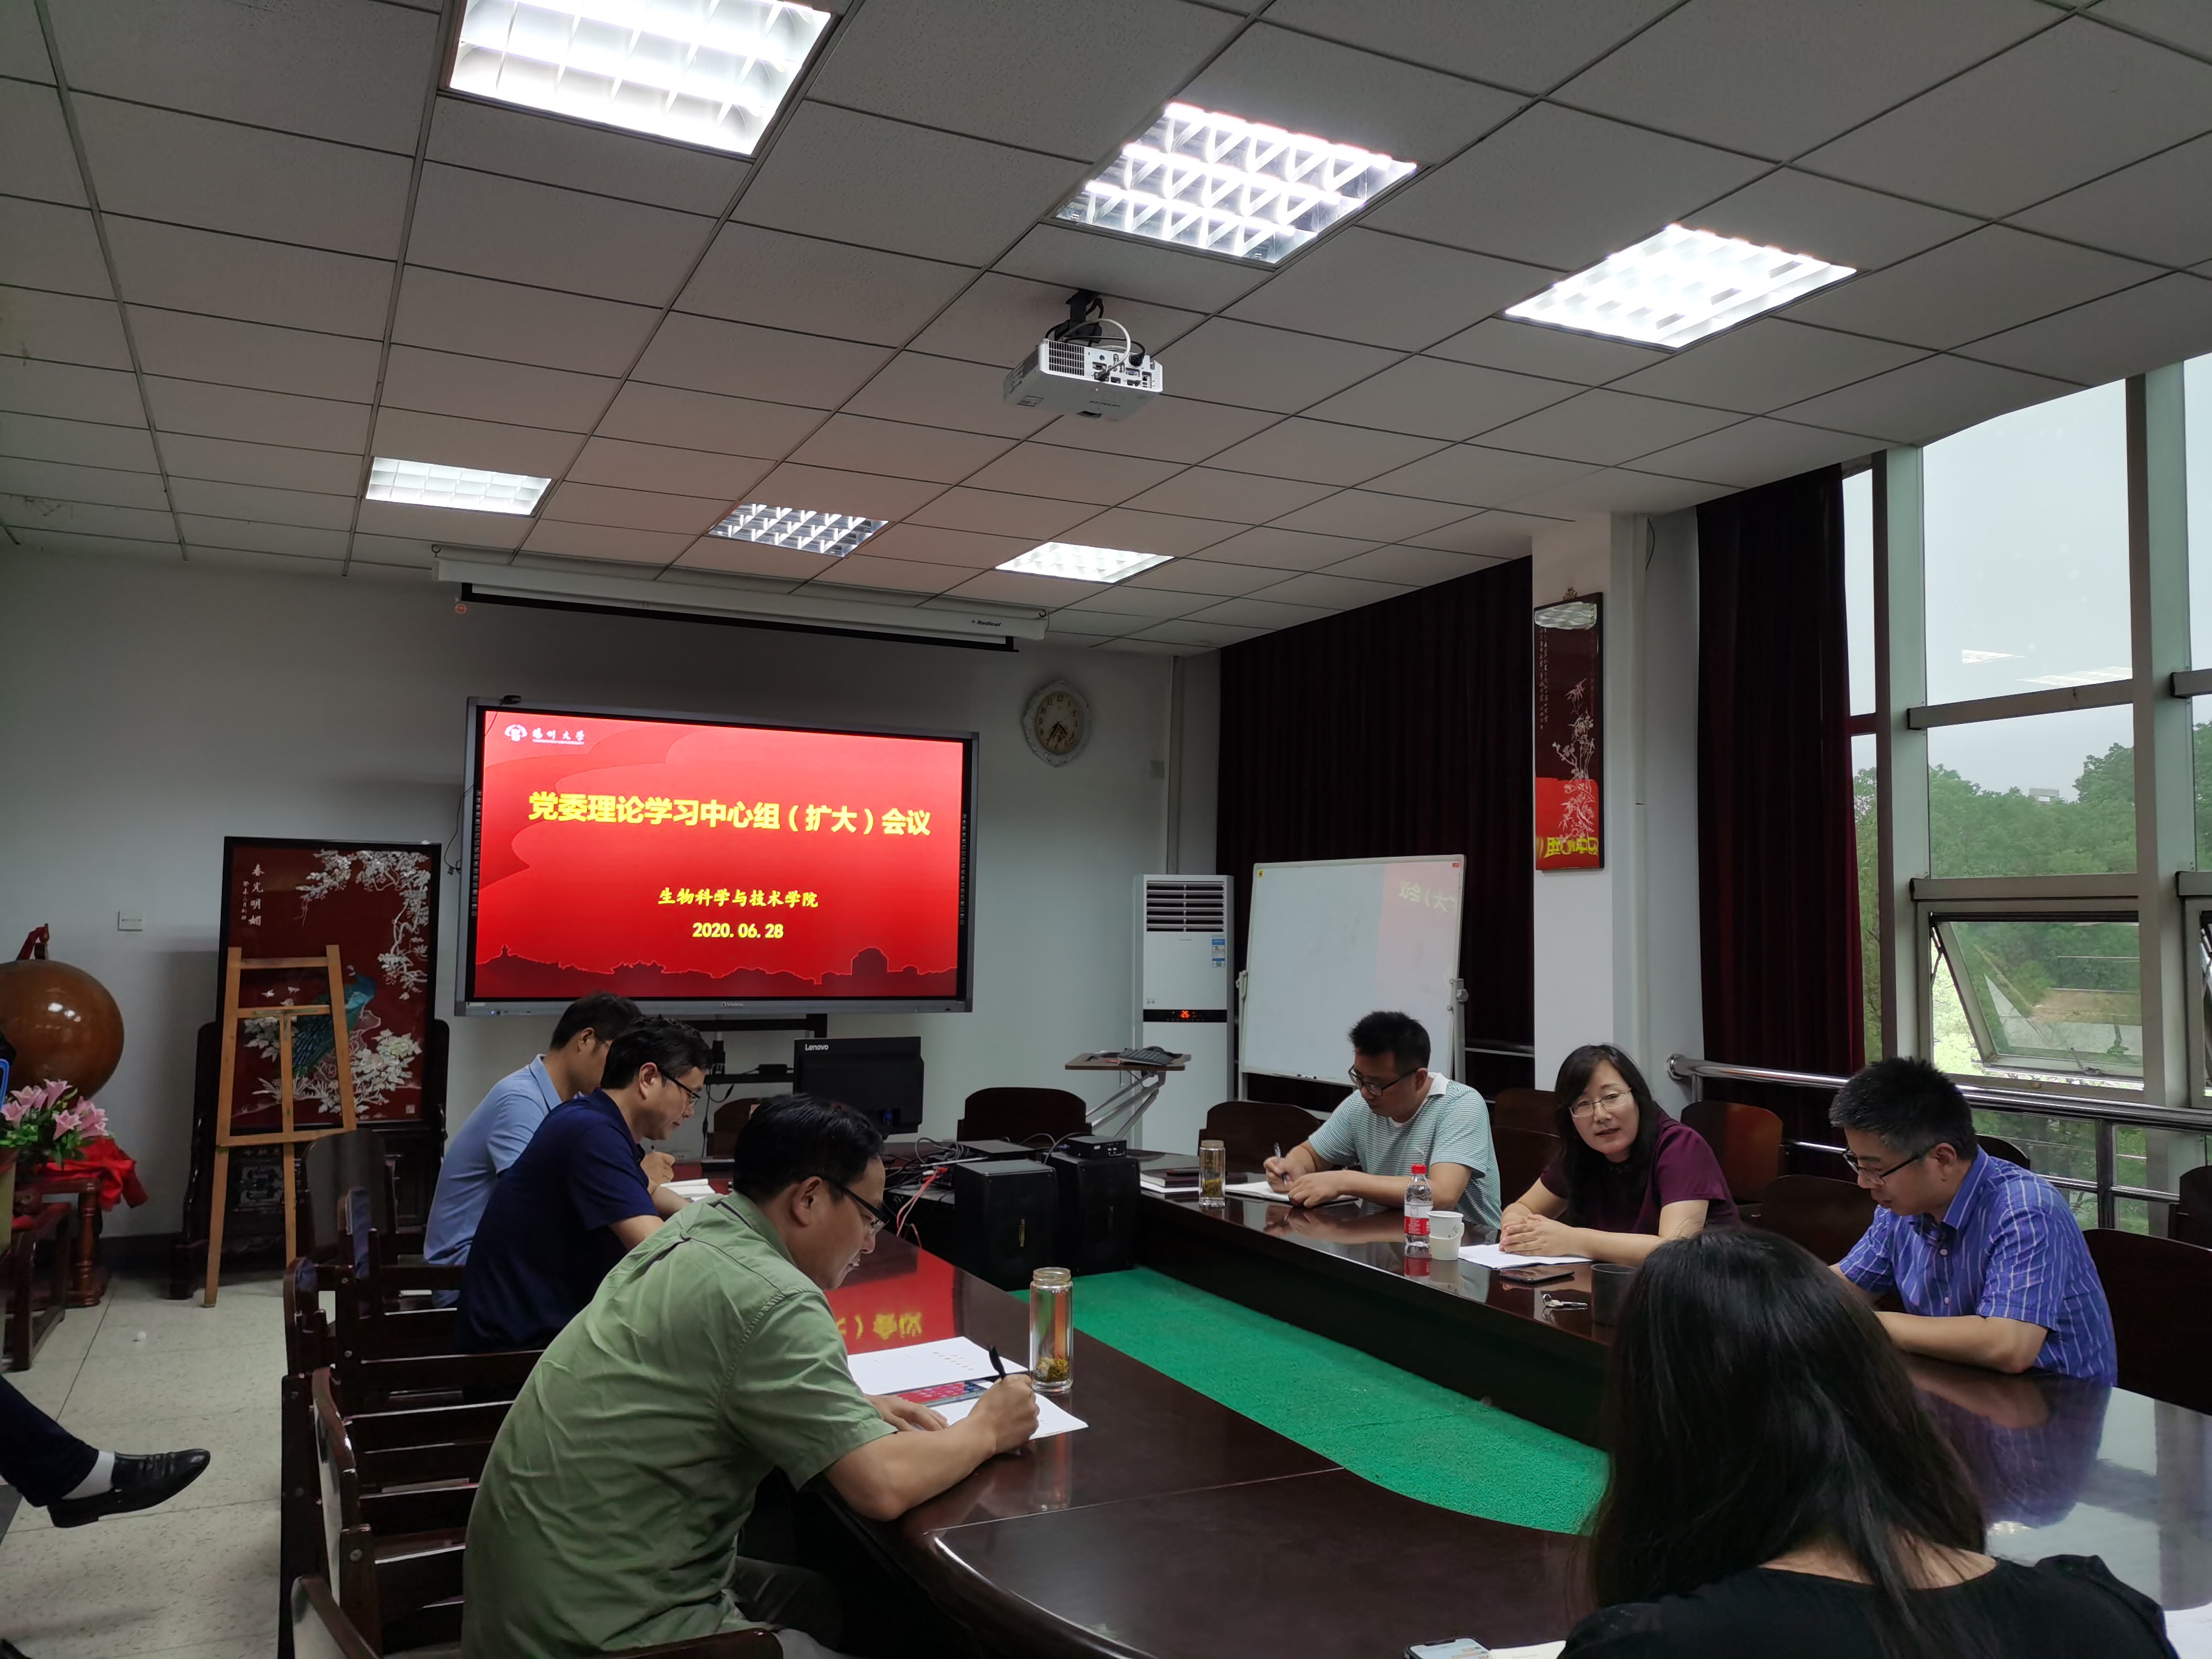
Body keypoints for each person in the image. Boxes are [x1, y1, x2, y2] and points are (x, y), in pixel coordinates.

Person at [460, 1094, 1038, 1659]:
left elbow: (709, 1367)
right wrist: (987, 1428)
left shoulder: (701, 1225)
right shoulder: (774, 1296)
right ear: (809, 1198)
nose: (869, 1241)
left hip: (527, 1593)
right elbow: (881, 1485)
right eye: (868, 1216)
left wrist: (848, 1403)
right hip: (597, 1631)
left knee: (820, 1599)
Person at [1561, 1228, 2170, 1658]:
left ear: (1666, 1428)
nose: (1867, 1179)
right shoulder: (2104, 1621)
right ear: (1885, 1394)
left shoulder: (1653, 1645)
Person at [1831, 1056, 2116, 1383]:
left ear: (1942, 1159)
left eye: (1876, 1169)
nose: (1864, 1182)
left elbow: (2008, 1345)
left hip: (2054, 1402)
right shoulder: (1900, 1210)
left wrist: (1864, 1323)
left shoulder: (2026, 1211)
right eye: (1858, 1164)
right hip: (1960, 1386)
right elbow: (1843, 1288)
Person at [455, 1016, 706, 1352]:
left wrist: (705, 1212)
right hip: (522, 1347)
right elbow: (658, 1250)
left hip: (539, 1322)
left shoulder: (590, 1117)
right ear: (648, 1078)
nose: (690, 1112)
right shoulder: (593, 1134)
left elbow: (645, 1190)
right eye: (690, 1095)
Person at [425, 992, 641, 1268]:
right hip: (468, 1262)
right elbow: (534, 1202)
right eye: (618, 1058)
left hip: (511, 1251)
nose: (619, 1073)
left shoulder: (576, 1102)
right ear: (586, 1039)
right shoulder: (521, 1099)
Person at [1262, 1011, 1501, 1239]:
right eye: (1360, 1078)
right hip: (1388, 1237)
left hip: (1460, 1248)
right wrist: (1293, 1167)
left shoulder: (1460, 1105)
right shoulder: (1361, 1104)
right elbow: (1312, 1155)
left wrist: (1345, 1182)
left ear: (1418, 1079)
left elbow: (1442, 1195)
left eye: (1376, 1084)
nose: (1366, 1092)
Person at [1498, 1044, 1735, 1264]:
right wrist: (1516, 1228)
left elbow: (1674, 1252)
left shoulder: (1681, 1147)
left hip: (1709, 1287)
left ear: (1638, 1097)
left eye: (1611, 1098)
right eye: (1583, 1104)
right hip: (1617, 1286)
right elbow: (1524, 1207)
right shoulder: (1582, 1152)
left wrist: (1572, 1240)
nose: (1600, 1115)